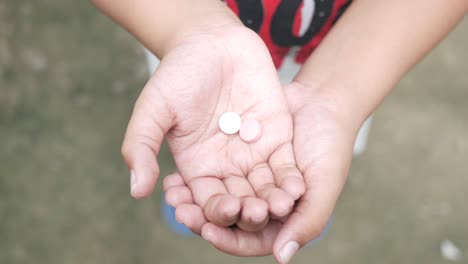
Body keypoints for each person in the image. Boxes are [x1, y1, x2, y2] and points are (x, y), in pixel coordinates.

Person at [90, 0, 468, 263]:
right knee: (193, 124)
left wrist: (336, 95)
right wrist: (190, 28)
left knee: (314, 149)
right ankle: (192, 177)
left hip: (346, 55)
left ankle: (305, 189)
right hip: (186, 38)